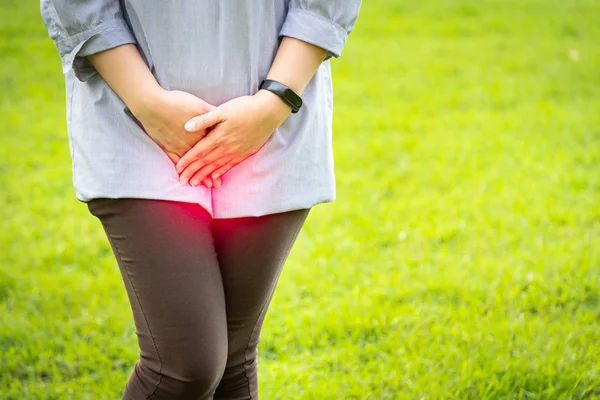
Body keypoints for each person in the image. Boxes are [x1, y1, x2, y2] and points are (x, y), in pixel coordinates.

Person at [40, 1, 362, 399]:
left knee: (235, 362)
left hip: (270, 121)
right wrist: (147, 103)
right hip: (136, 121)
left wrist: (272, 102)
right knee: (184, 366)